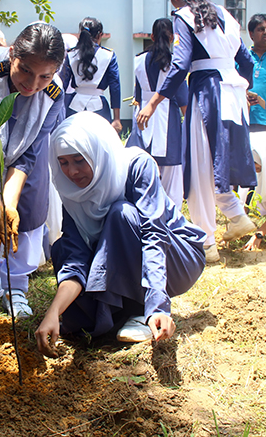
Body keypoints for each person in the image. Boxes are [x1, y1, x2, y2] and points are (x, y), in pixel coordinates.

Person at [35, 113, 205, 357]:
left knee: (121, 214)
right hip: (125, 255)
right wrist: (54, 311)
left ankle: (142, 311)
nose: (72, 172)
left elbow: (153, 236)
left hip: (176, 257)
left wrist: (158, 306)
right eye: (63, 162)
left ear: (97, 152)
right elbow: (76, 258)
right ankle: (116, 314)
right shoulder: (73, 192)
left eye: (79, 160)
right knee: (62, 247)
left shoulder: (135, 166)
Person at [137, 0, 257, 263]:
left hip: (208, 94)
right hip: (233, 95)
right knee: (221, 161)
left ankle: (207, 240)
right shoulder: (225, 15)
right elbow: (247, 60)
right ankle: (234, 215)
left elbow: (179, 66)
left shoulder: (184, 17)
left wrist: (153, 101)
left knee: (201, 169)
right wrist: (244, 89)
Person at [0, 22, 65, 319]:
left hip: (26, 158)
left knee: (26, 214)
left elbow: (31, 149)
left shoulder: (56, 90)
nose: (33, 84)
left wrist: (10, 201)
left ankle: (16, 285)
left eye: (45, 76)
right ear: (11, 55)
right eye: (26, 71)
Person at [127, 18, 188, 209]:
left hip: (143, 119)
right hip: (168, 122)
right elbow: (184, 102)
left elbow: (137, 96)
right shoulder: (175, 66)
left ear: (152, 36)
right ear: (172, 38)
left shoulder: (138, 60)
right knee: (172, 180)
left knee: (143, 173)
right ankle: (172, 222)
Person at [60, 17, 122, 133]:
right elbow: (115, 87)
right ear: (100, 35)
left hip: (74, 106)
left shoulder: (71, 54)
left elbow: (61, 84)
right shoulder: (108, 55)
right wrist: (117, 118)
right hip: (99, 108)